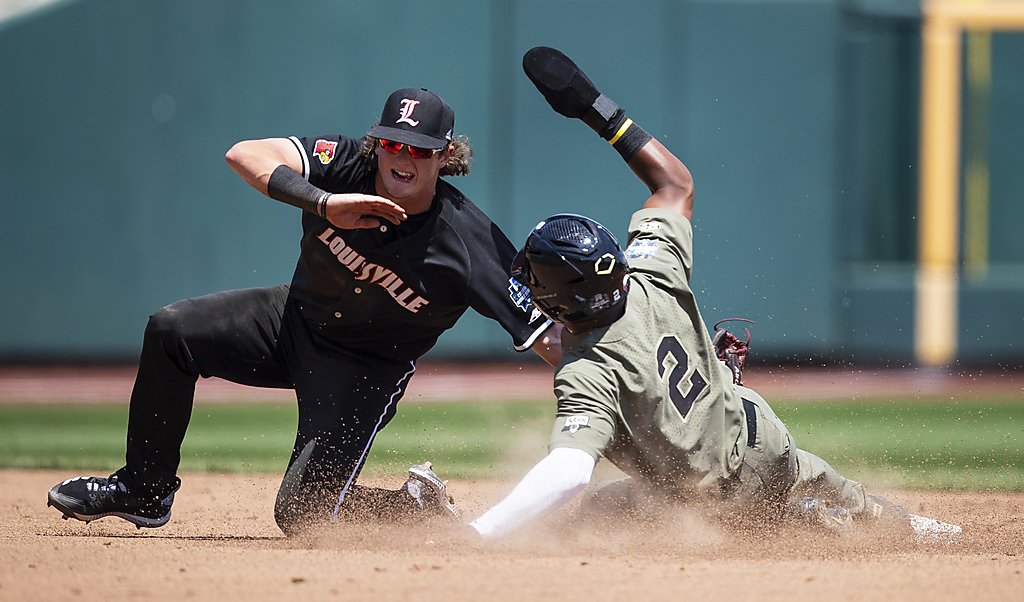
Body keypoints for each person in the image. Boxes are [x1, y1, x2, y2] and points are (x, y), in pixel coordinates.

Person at [462, 47, 961, 543]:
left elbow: (569, 472)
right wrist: (596, 109)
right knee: (853, 499)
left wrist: (480, 534)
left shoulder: (587, 371)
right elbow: (675, 184)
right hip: (768, 441)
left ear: (559, 298)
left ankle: (795, 522)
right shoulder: (649, 272)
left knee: (592, 518)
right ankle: (923, 530)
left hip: (717, 502)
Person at [47, 87, 560, 535]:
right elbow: (242, 153)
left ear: (444, 156)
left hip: (364, 372)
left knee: (301, 513)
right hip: (290, 322)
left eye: (419, 149)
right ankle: (144, 488)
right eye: (393, 143)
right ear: (377, 143)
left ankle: (413, 507)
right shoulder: (345, 166)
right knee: (171, 330)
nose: (402, 157)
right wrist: (322, 203)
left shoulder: (469, 244)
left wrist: (617, 395)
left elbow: (548, 338)